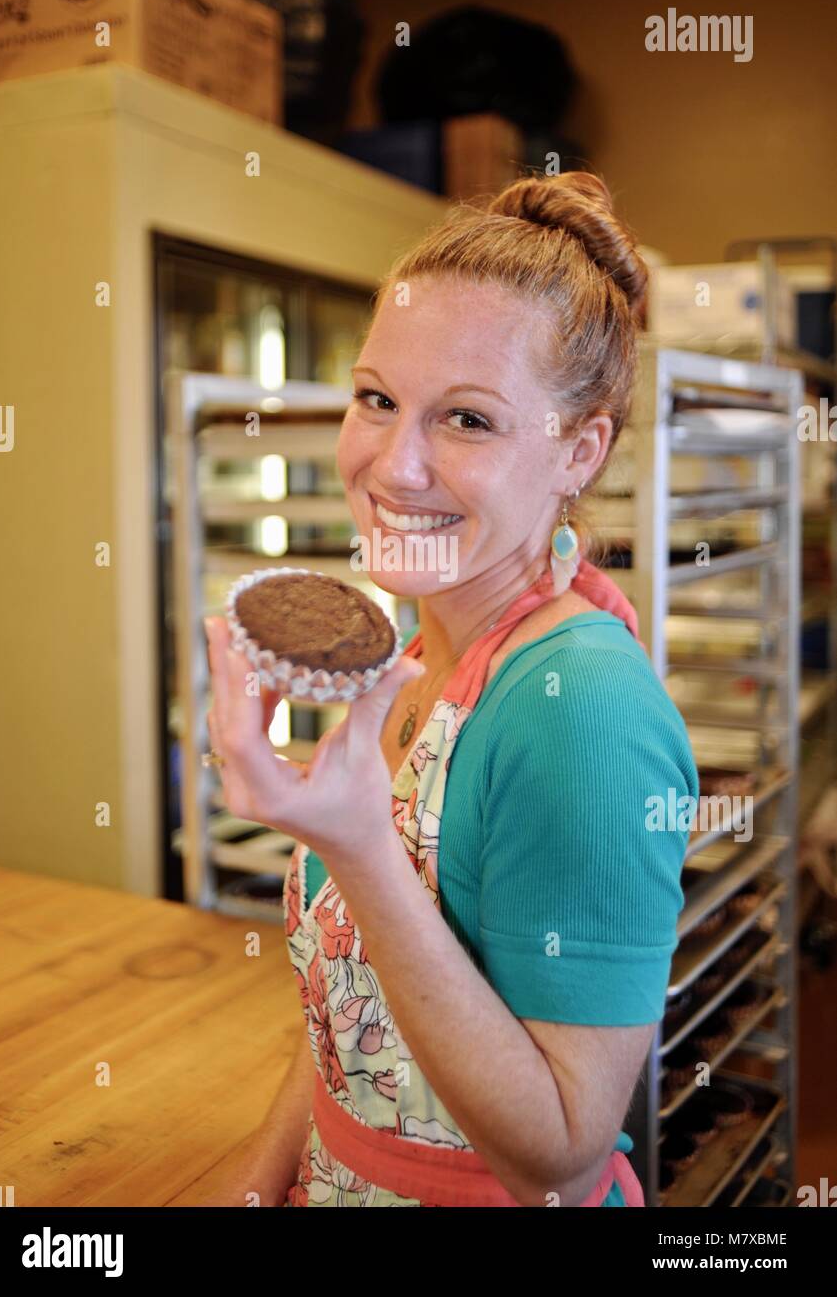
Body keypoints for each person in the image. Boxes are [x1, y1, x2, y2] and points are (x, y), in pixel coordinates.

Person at [204, 171, 699, 1207]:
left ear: (579, 450)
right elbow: (358, 1009)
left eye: (466, 420)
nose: (394, 464)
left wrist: (358, 846)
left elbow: (560, 1152)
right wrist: (256, 1188)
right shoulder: (410, 655)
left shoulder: (582, 713)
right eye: (376, 397)